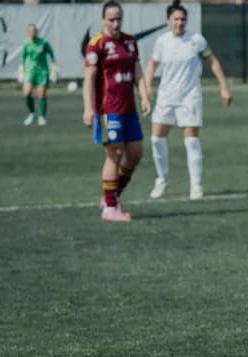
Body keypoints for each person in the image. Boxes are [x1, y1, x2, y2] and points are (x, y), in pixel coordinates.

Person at [145, 0, 232, 201]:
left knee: (191, 140)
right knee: (156, 139)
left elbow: (213, 62)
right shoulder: (162, 41)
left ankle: (196, 186)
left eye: (183, 19)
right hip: (166, 97)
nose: (179, 22)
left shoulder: (196, 40)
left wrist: (224, 88)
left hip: (189, 98)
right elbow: (151, 66)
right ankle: (162, 179)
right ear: (168, 21)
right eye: (175, 19)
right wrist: (147, 88)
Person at [83, 1, 152, 222]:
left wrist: (144, 95)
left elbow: (138, 71)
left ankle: (111, 196)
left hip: (129, 108)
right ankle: (110, 208)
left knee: (135, 154)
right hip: (107, 109)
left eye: (118, 18)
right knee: (115, 155)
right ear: (104, 19)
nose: (115, 23)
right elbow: (89, 79)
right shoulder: (97, 44)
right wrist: (88, 108)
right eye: (111, 19)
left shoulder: (130, 41)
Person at [18, 24, 57, 126]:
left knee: (41, 94)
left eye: (34, 31)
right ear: (28, 33)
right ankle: (32, 113)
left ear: (37, 32)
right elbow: (23, 58)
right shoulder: (26, 44)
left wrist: (54, 71)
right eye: (30, 31)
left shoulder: (44, 43)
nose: (32, 33)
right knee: (27, 93)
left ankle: (42, 117)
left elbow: (52, 56)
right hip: (30, 72)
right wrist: (21, 72)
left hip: (43, 72)